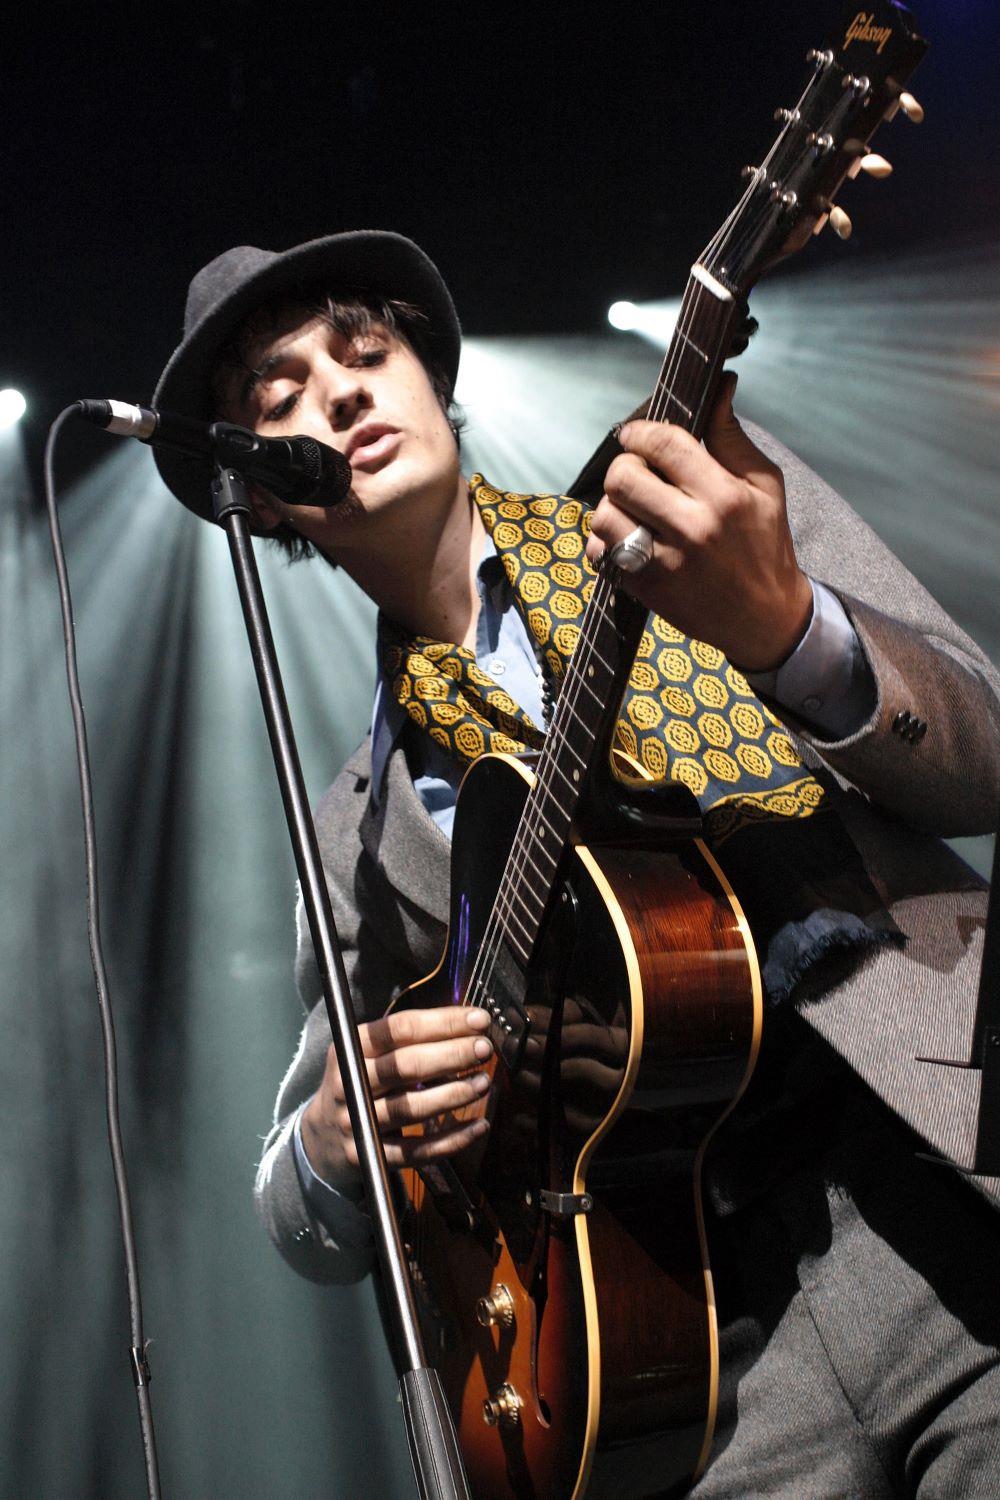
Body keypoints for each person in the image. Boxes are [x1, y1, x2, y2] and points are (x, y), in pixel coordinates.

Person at [153, 231, 1000, 1496]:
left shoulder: (690, 495)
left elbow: (979, 754)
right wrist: (336, 1143)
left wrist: (785, 630)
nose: (337, 393)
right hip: (686, 1363)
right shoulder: (355, 828)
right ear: (263, 493)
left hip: (939, 1191)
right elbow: (299, 1195)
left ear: (432, 383)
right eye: (278, 399)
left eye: (365, 354)